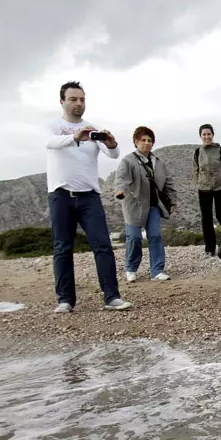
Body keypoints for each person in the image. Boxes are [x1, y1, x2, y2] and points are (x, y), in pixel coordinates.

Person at [45, 81, 131, 313]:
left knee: (102, 245)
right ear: (62, 101)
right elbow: (49, 143)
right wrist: (75, 137)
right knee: (62, 247)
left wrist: (112, 144)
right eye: (73, 99)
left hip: (89, 196)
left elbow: (113, 154)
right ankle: (65, 299)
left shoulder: (93, 128)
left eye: (82, 99)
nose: (79, 103)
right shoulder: (53, 125)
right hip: (61, 194)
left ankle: (111, 296)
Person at [113, 126, 177, 282]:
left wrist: (173, 200)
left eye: (149, 140)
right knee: (134, 237)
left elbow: (168, 182)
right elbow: (121, 178)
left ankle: (157, 270)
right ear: (136, 142)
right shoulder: (128, 161)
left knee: (155, 236)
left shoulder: (158, 162)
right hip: (133, 204)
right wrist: (120, 190)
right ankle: (131, 268)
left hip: (153, 205)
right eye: (143, 140)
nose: (146, 143)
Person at [193, 124, 221, 257]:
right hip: (203, 188)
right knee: (206, 218)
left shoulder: (220, 151)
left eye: (208, 134)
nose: (206, 136)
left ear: (212, 135)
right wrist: (199, 182)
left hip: (220, 187)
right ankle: (210, 248)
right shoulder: (198, 152)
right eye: (204, 134)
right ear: (200, 136)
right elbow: (196, 170)